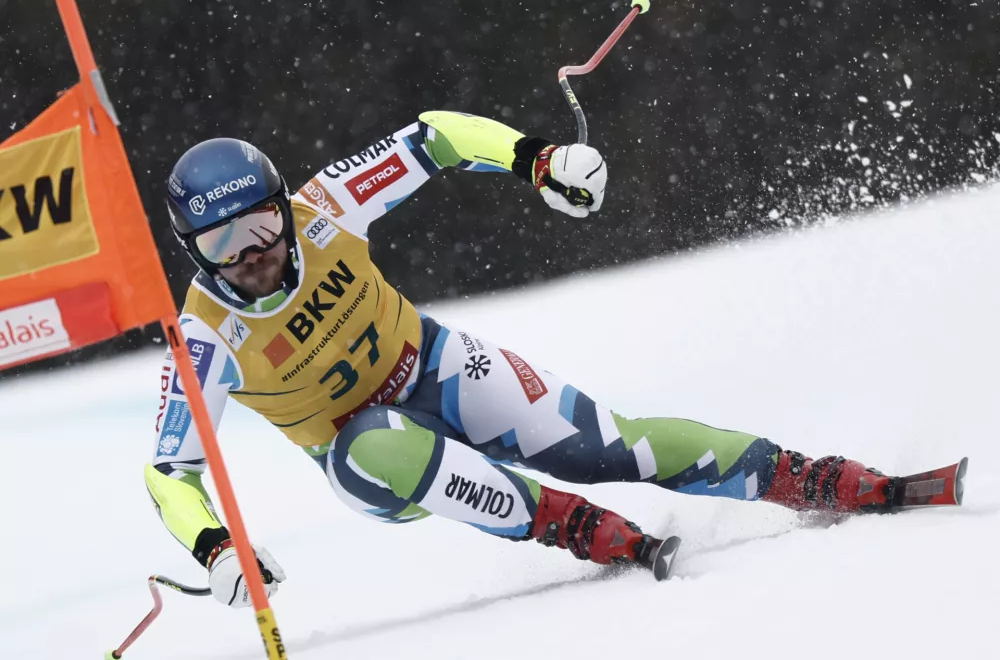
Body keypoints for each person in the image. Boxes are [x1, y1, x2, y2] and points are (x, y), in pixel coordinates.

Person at [151, 111, 898, 607]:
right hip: (375, 465)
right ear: (193, 251)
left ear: (283, 206)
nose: (251, 252)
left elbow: (434, 136)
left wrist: (535, 161)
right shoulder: (206, 339)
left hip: (440, 368)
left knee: (602, 443)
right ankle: (570, 525)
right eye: (221, 243)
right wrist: (220, 549)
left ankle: (806, 475)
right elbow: (168, 471)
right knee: (374, 438)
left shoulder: (326, 209)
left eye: (260, 223)